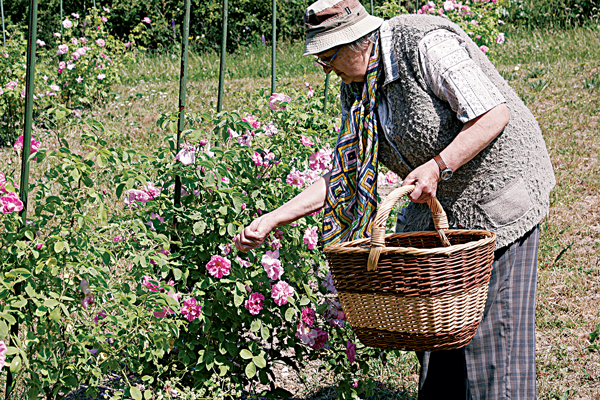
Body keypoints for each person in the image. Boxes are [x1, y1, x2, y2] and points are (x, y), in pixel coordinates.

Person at [234, 0, 556, 398]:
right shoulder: (357, 87)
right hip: (440, 206)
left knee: (492, 342)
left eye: (328, 57)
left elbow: (493, 114)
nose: (326, 68)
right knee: (437, 332)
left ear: (359, 43)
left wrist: (438, 166)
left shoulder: (422, 44)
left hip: (499, 194)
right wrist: (273, 218)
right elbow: (345, 173)